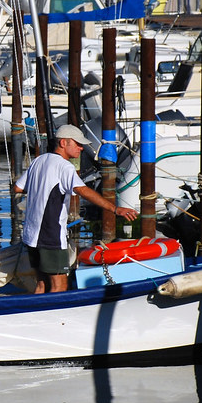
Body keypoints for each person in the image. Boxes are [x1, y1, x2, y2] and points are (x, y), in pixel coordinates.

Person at [14, 124, 138, 294]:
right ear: (63, 143)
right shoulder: (65, 167)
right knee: (59, 286)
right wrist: (115, 209)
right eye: (78, 144)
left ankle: (36, 310)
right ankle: (58, 312)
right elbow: (82, 190)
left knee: (42, 284)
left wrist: (40, 189)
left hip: (31, 234)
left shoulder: (38, 161)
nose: (81, 148)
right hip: (50, 234)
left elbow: (18, 188)